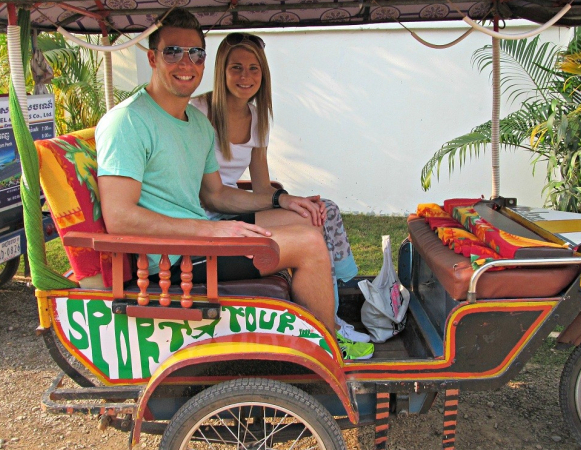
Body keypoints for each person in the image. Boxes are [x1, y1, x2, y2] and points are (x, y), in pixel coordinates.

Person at [95, 9, 373, 360]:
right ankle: (327, 352)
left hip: (197, 243)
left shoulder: (197, 123)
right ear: (152, 58)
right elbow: (120, 217)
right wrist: (211, 231)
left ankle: (316, 332)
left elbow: (216, 195)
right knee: (308, 245)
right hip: (168, 260)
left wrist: (280, 200)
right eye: (173, 52)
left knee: (309, 224)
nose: (186, 63)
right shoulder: (128, 121)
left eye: (196, 53)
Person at [191, 32, 369, 343]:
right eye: (236, 68)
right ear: (221, 71)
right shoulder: (199, 112)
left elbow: (262, 186)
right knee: (311, 227)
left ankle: (333, 306)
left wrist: (290, 201)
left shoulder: (257, 116)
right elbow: (212, 196)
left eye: (254, 68)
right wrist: (281, 199)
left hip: (233, 208)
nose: (246, 77)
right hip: (209, 216)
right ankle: (330, 325)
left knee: (320, 211)